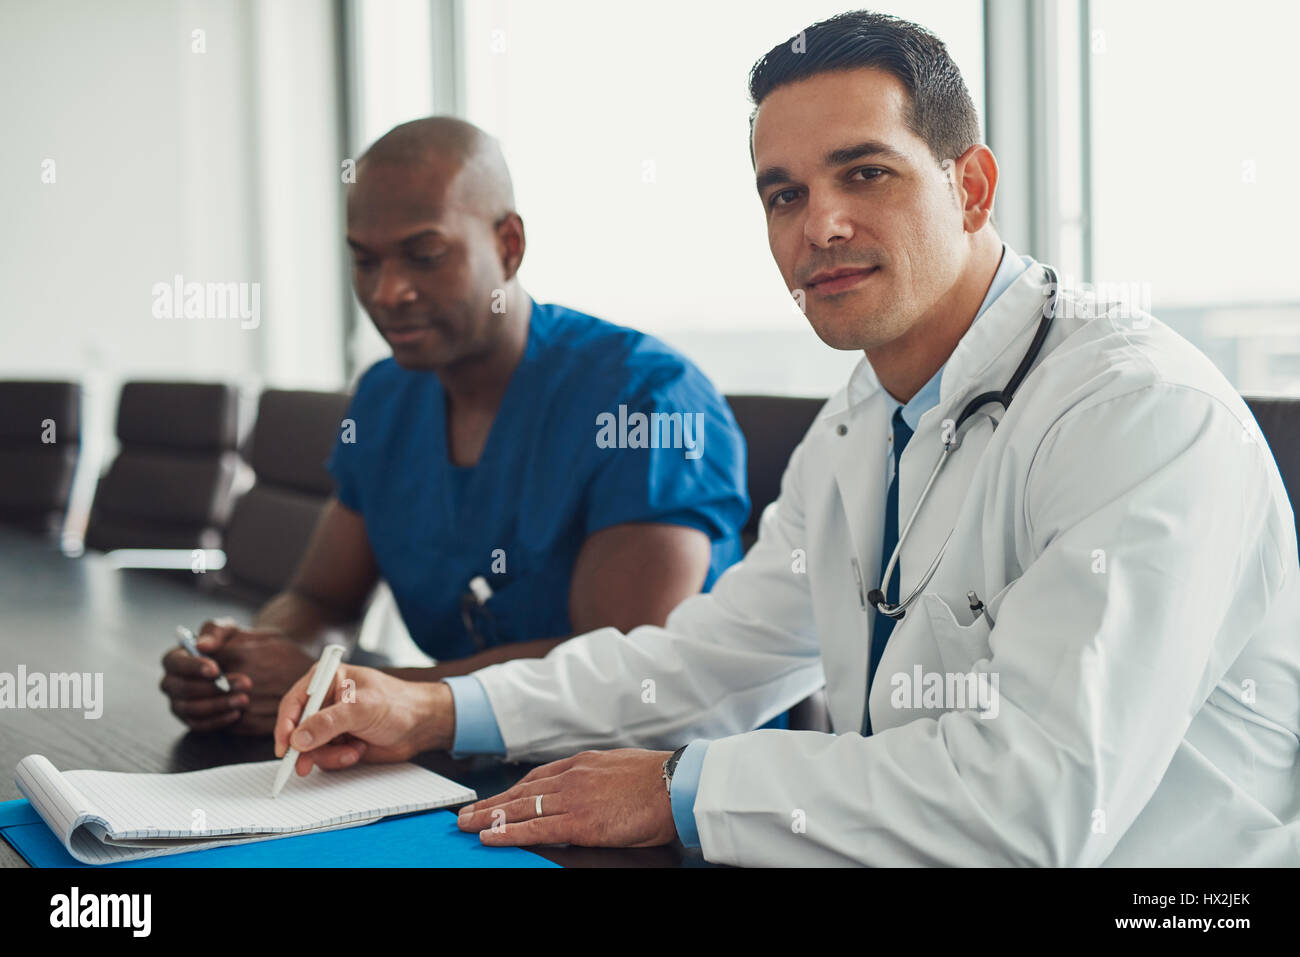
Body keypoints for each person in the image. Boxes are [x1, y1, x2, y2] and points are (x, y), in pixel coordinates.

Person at [272, 12, 1300, 865]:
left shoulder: (1138, 412)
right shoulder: (861, 420)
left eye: (866, 175)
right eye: (785, 193)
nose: (821, 225)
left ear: (970, 186)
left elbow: (1035, 797)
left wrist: (683, 787)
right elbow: (713, 661)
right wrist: (438, 712)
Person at [160, 117, 749, 736]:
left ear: (509, 246)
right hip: (462, 759)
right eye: (364, 261)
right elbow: (319, 599)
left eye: (425, 256)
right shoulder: (387, 396)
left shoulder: (648, 400)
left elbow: (620, 680)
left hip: (666, 791)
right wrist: (247, 665)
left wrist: (358, 693)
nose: (387, 292)